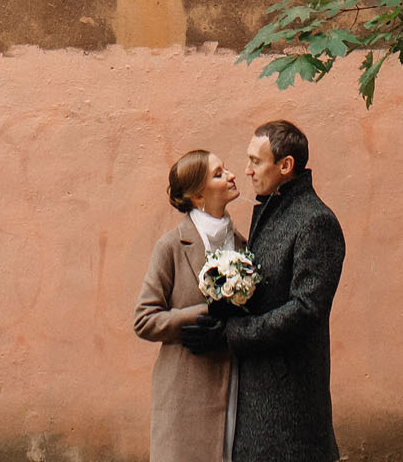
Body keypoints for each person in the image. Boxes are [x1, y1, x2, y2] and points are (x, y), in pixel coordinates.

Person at [181, 120, 345, 462]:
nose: (247, 171)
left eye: (256, 161)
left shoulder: (315, 221)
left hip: (290, 404)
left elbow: (306, 310)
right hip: (257, 395)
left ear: (285, 166)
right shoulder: (272, 213)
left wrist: (232, 333)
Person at [134, 148, 246, 462]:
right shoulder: (170, 246)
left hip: (234, 389)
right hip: (184, 396)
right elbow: (144, 319)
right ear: (198, 195)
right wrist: (205, 312)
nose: (232, 175)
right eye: (219, 173)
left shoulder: (242, 245)